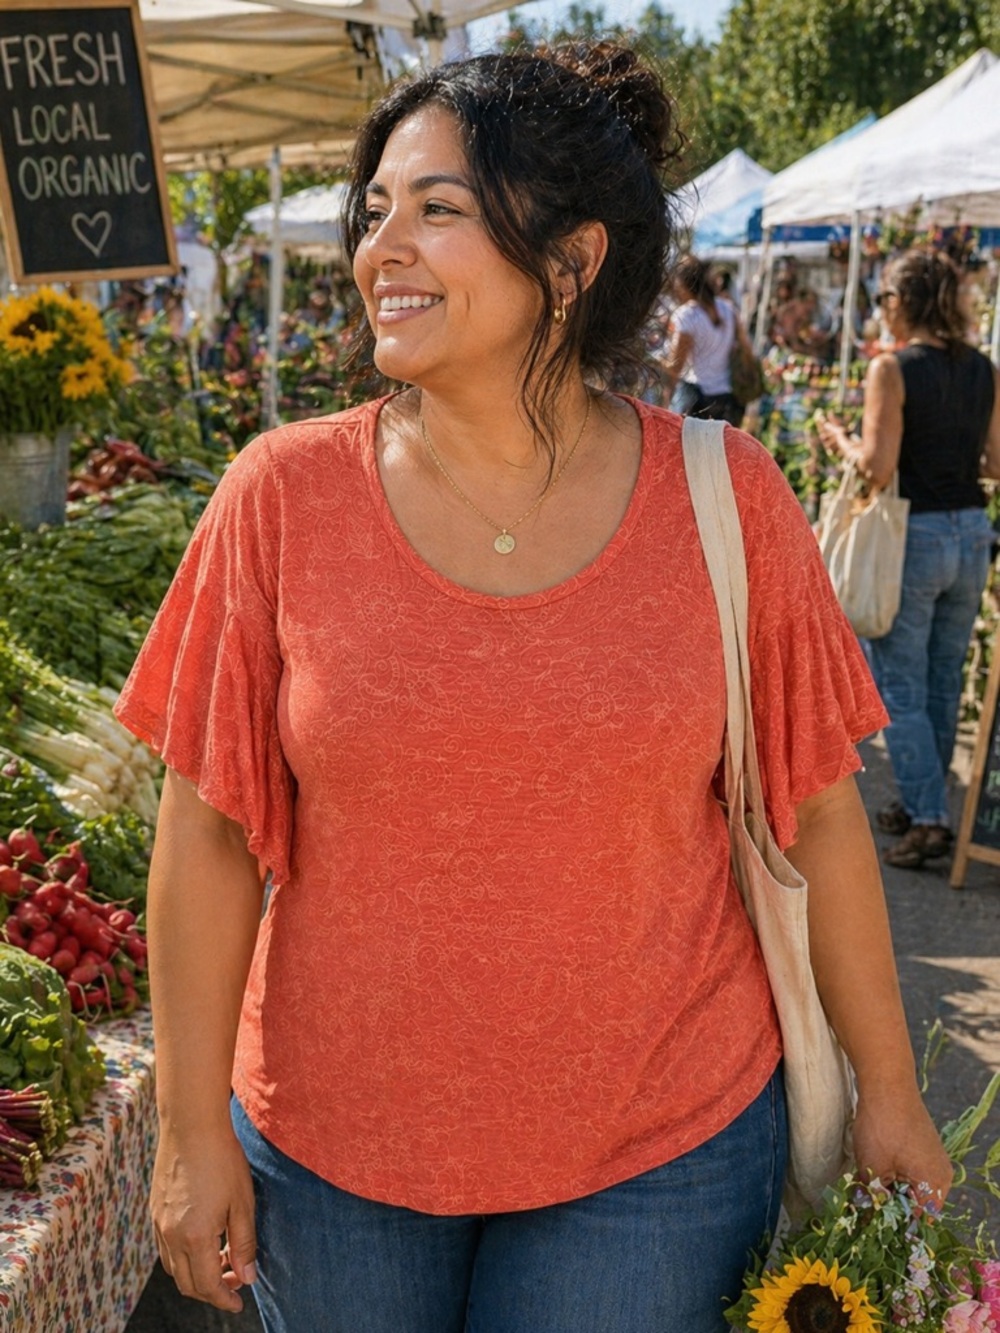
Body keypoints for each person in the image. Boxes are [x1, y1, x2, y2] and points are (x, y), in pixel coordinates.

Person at [114, 43, 952, 1333]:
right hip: (333, 1153)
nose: (381, 244)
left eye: (437, 208)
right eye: (375, 209)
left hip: (658, 1152)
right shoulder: (278, 497)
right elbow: (206, 834)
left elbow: (824, 813)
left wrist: (888, 1094)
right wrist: (185, 1133)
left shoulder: (729, 500)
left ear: (571, 262)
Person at [818, 250, 1000, 870]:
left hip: (913, 535)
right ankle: (924, 803)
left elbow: (878, 467)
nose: (880, 312)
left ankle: (928, 817)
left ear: (901, 301)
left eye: (883, 301)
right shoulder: (983, 368)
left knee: (900, 683)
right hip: (972, 532)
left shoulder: (892, 369)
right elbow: (996, 462)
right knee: (944, 678)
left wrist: (842, 441)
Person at [659, 254, 746, 424]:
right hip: (726, 396)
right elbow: (742, 344)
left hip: (698, 399)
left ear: (683, 284)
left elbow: (676, 366)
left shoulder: (686, 316)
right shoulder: (727, 309)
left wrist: (656, 361)